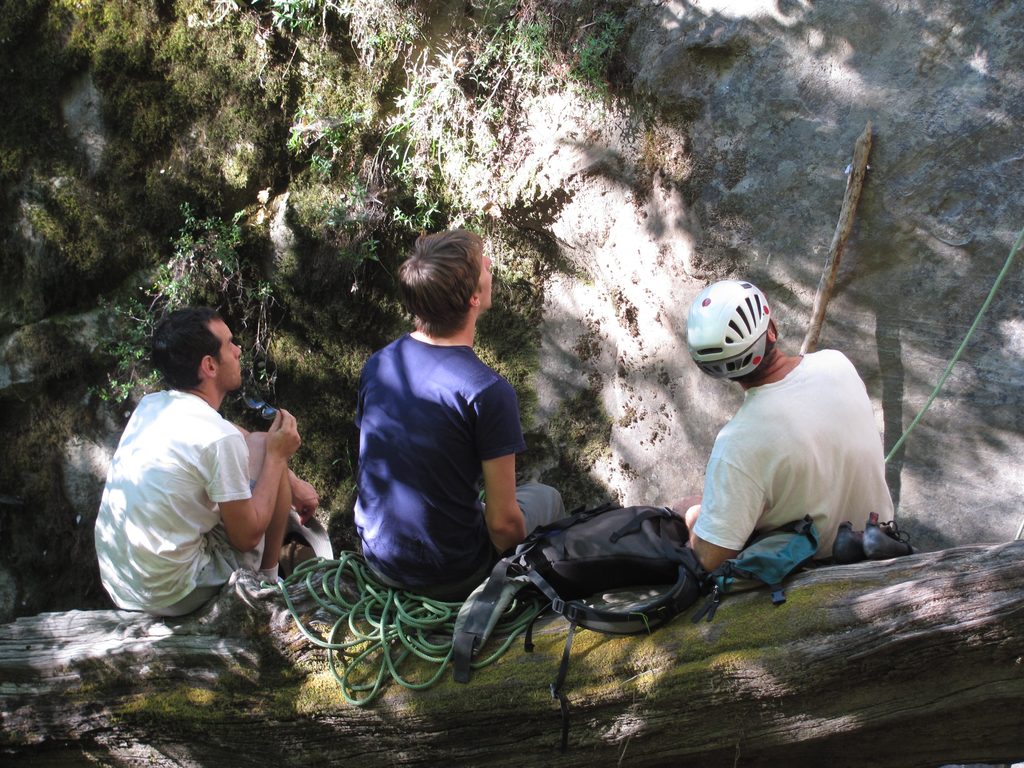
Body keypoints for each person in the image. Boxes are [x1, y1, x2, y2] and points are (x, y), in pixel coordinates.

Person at [354, 229, 564, 600]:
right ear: (473, 298)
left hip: (378, 556)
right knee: (545, 498)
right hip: (449, 573)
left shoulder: (380, 364)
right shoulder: (486, 392)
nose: (489, 264)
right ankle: (538, 597)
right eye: (481, 265)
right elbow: (502, 525)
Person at [94, 307, 320, 617]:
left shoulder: (153, 405)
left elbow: (228, 433)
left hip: (123, 583)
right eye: (230, 344)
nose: (239, 351)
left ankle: (272, 569)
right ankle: (268, 584)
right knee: (269, 455)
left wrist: (290, 481)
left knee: (258, 443)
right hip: (174, 591)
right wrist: (278, 457)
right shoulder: (217, 438)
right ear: (210, 365)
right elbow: (247, 536)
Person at [674, 279, 894, 572]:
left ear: (714, 370)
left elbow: (710, 559)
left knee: (685, 512)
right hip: (884, 542)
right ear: (772, 330)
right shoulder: (837, 363)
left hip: (822, 574)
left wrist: (691, 515)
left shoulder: (739, 442)